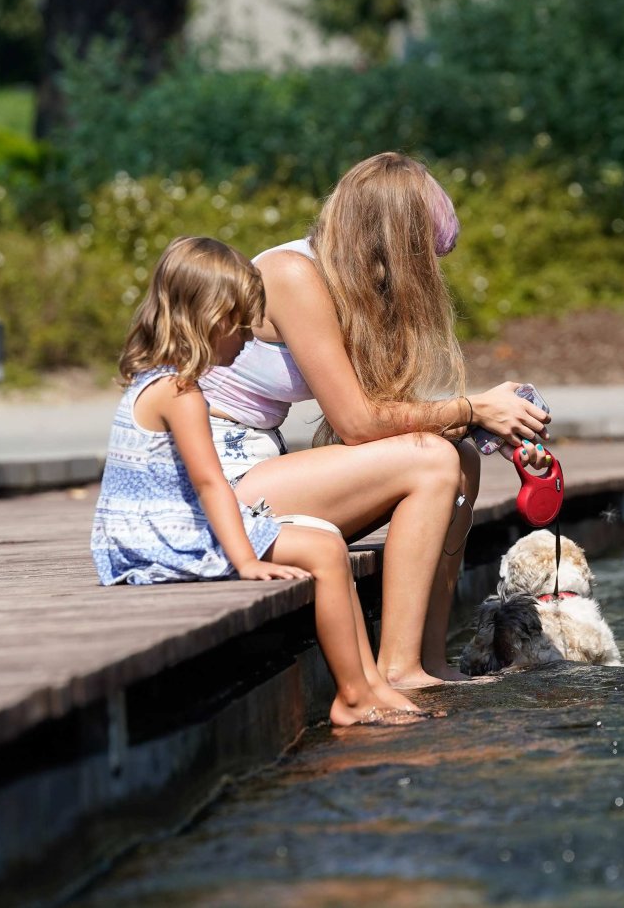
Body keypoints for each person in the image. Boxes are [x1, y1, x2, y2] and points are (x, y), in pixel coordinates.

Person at [200, 153, 549, 689]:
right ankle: (399, 669)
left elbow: (382, 422)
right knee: (432, 459)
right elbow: (360, 424)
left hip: (259, 466)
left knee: (459, 459)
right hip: (217, 486)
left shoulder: (351, 287)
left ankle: (429, 661)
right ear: (390, 240)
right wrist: (474, 407)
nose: (426, 273)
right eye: (422, 256)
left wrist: (481, 428)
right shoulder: (292, 273)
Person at [90, 237, 423, 726]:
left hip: (157, 526)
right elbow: (209, 484)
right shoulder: (180, 392)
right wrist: (245, 561)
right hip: (157, 537)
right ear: (212, 319)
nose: (248, 340)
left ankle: (371, 684)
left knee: (324, 539)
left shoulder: (163, 379)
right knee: (324, 551)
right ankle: (354, 696)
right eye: (241, 326)